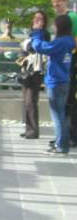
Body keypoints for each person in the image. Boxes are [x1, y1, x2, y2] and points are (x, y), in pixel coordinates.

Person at [31, 14, 75, 154]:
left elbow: (39, 47)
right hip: (64, 81)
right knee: (61, 114)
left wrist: (36, 32)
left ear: (60, 26)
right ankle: (62, 143)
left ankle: (61, 145)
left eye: (55, 25)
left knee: (58, 116)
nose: (53, 27)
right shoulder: (69, 40)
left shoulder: (60, 42)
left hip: (55, 82)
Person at [50, 0, 77, 148]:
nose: (56, 4)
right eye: (54, 1)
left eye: (59, 1)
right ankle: (63, 136)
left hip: (70, 63)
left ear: (66, 1)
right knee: (63, 102)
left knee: (68, 101)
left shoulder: (72, 17)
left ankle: (69, 137)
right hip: (62, 63)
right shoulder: (59, 18)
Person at [18, 11, 49, 139]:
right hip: (26, 69)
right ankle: (28, 128)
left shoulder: (44, 34)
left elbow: (36, 47)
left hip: (36, 70)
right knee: (26, 100)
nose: (37, 20)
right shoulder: (30, 33)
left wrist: (37, 31)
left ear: (44, 21)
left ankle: (33, 130)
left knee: (31, 100)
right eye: (35, 18)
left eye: (40, 18)